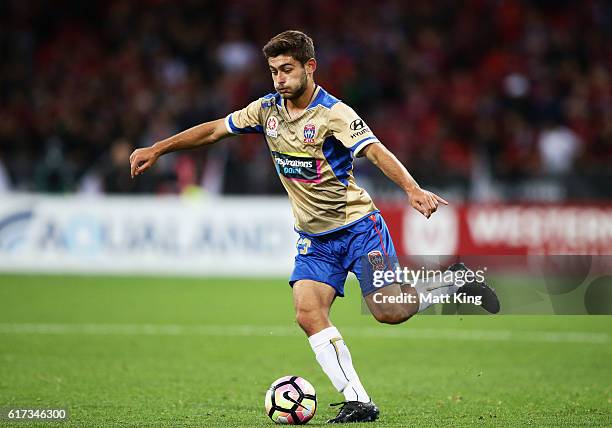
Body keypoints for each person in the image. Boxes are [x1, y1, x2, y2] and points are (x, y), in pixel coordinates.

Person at [129, 30, 499, 424]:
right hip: (315, 240)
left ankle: (452, 280)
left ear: (310, 67)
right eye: (273, 71)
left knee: (390, 312)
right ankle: (359, 401)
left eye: (287, 70)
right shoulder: (266, 111)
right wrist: (158, 148)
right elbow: (216, 129)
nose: (279, 79)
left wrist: (410, 188)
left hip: (358, 227)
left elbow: (374, 150)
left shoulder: (334, 113)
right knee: (308, 313)